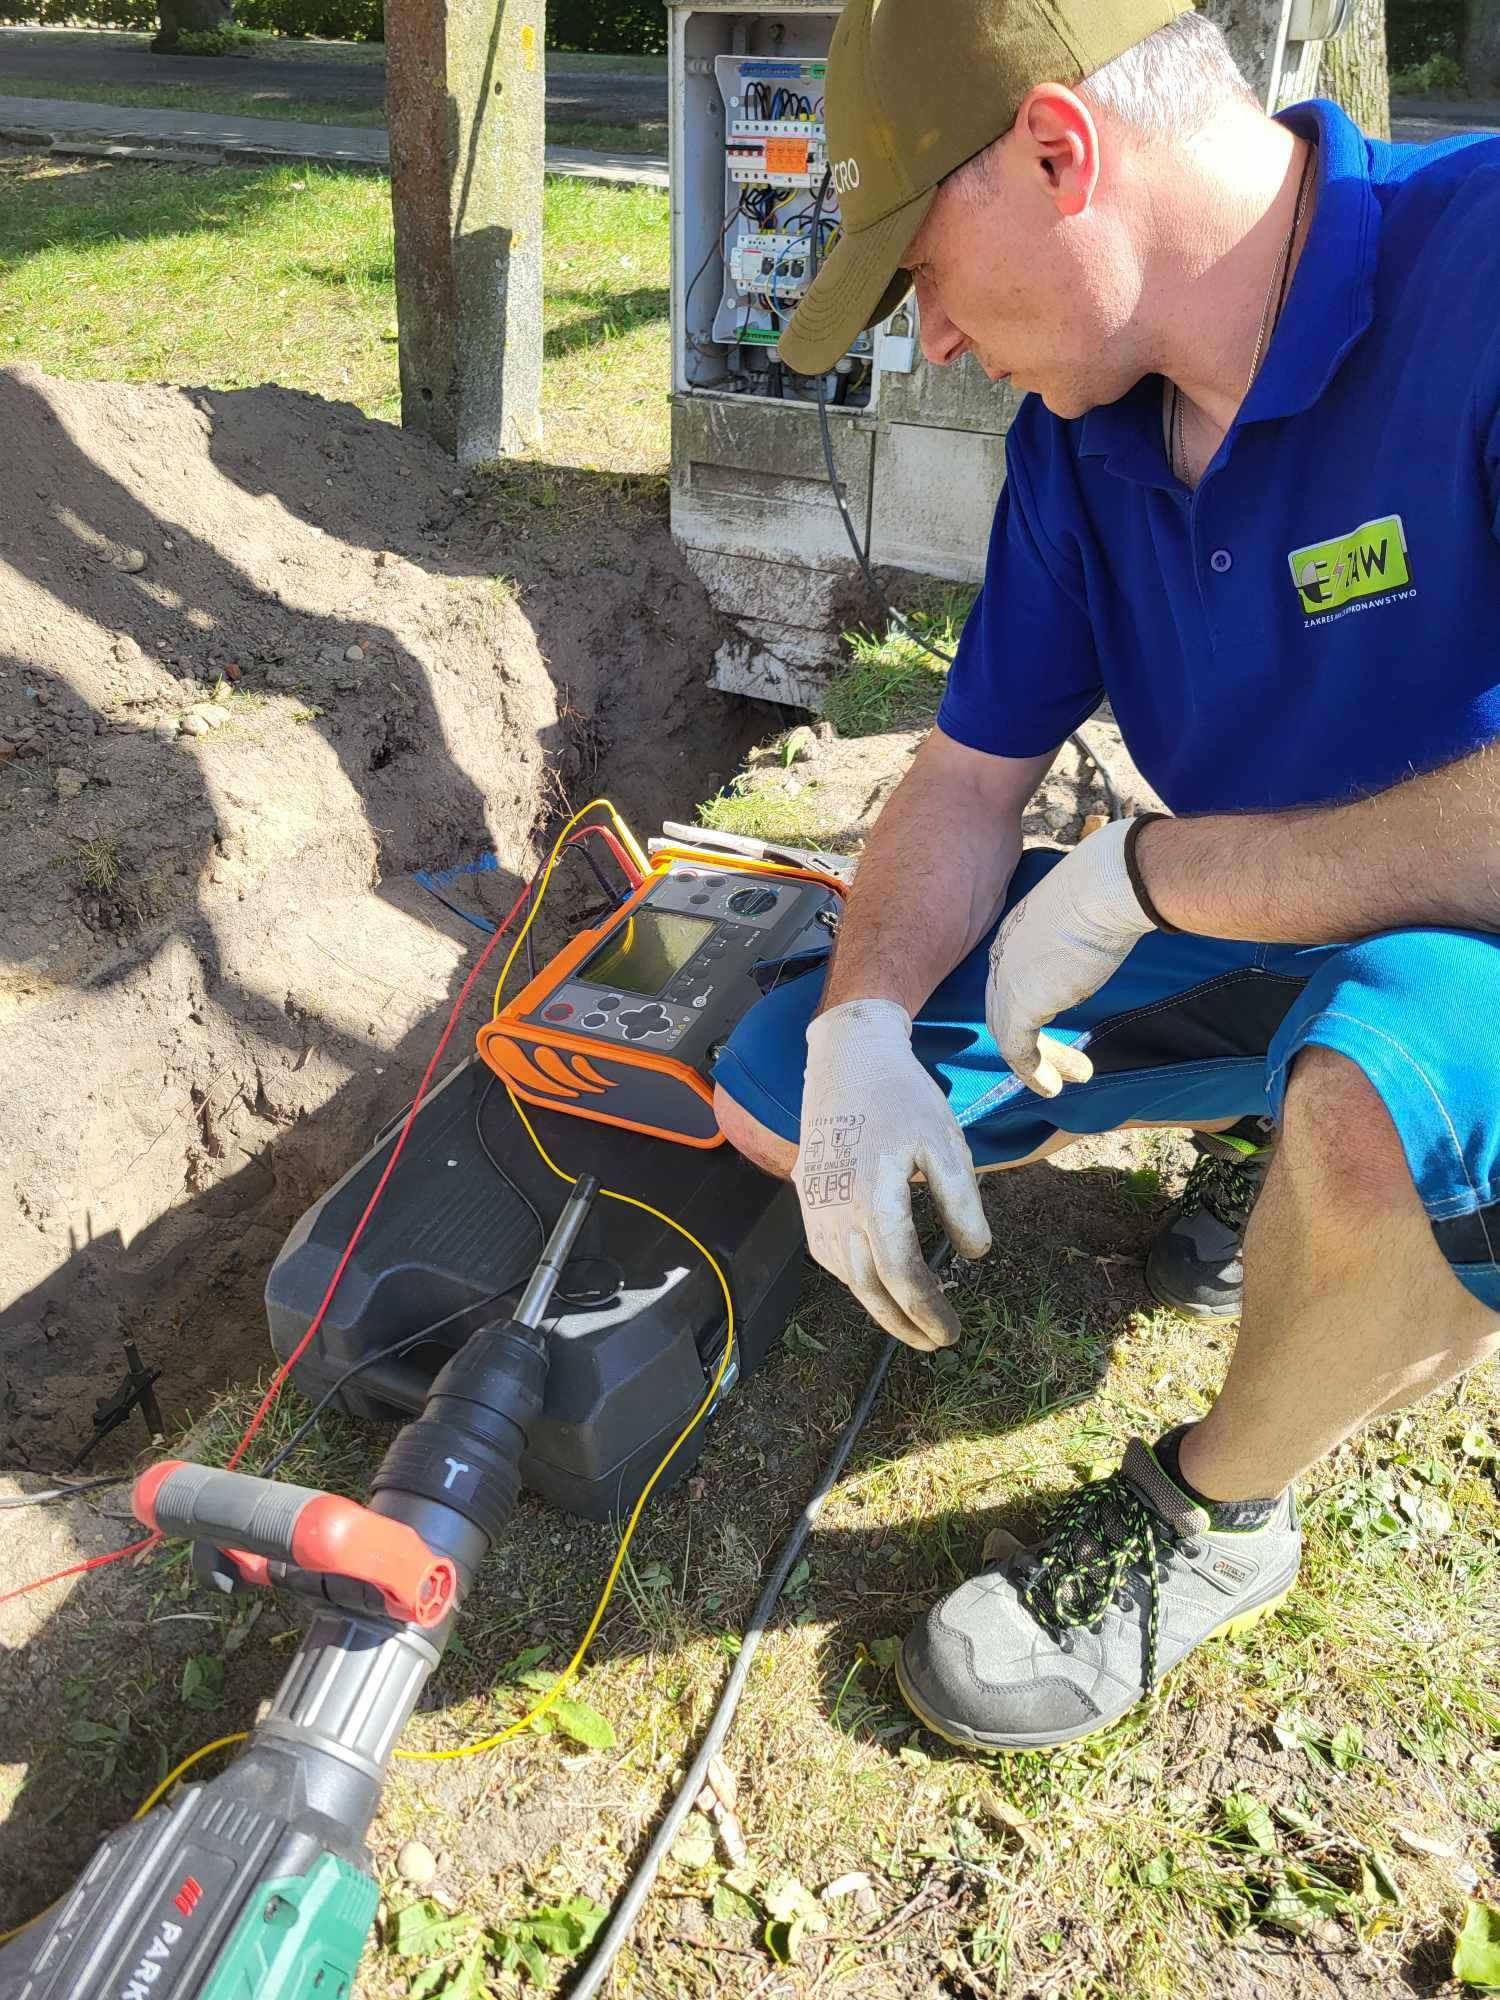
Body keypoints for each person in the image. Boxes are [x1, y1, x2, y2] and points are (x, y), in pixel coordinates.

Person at [709, 0, 1500, 1754]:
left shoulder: (1485, 269)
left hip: (1469, 946)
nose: (932, 336)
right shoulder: (1087, 431)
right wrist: (861, 1029)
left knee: (1372, 1105)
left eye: (924, 267)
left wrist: (1149, 874)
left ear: (1062, 153)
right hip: (1240, 912)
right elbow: (963, 777)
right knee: (772, 1089)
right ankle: (1264, 1137)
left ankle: (1218, 1517)